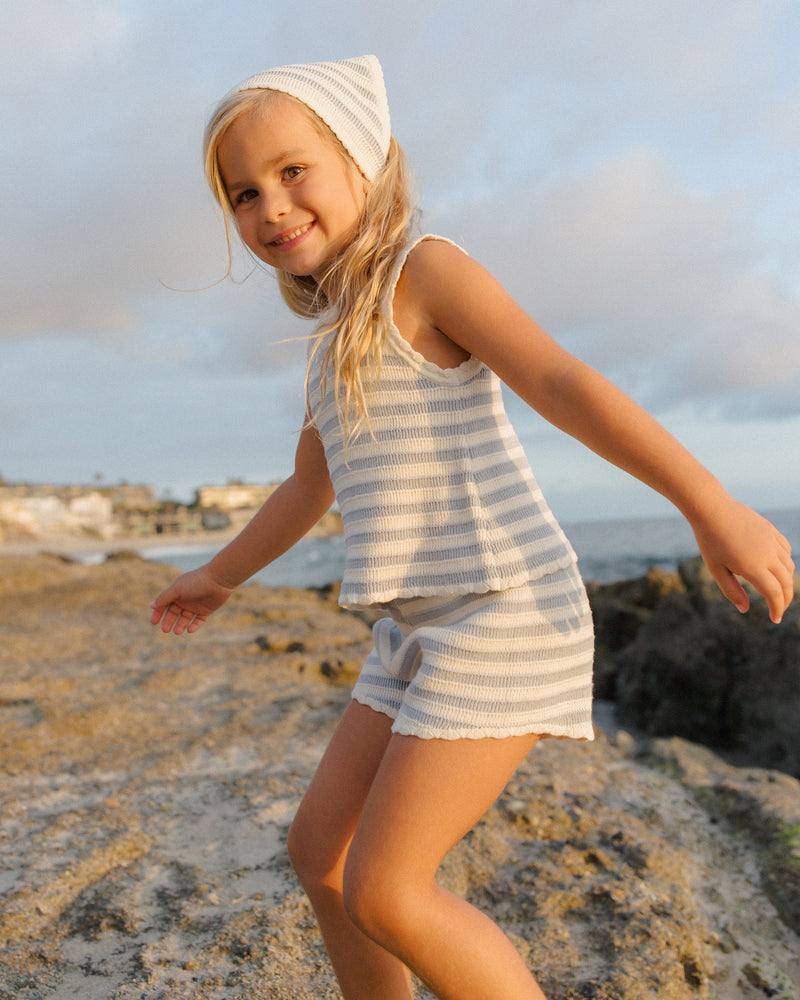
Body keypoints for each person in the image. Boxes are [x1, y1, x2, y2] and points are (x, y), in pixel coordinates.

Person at [150, 55, 794, 1000]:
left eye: (294, 172)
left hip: (504, 615)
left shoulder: (427, 273)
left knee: (390, 889)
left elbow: (563, 382)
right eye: (244, 193)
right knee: (318, 854)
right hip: (414, 629)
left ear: (361, 160)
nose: (271, 207)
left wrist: (710, 505)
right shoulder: (333, 344)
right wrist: (218, 575)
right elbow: (305, 487)